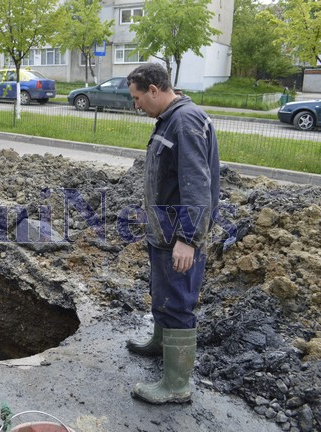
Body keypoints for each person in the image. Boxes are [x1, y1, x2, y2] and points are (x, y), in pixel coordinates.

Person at [125, 63, 220, 404]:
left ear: (154, 89)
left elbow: (197, 185)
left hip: (179, 236)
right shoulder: (172, 118)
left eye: (137, 97)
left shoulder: (184, 122)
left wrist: (188, 239)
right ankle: (159, 342)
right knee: (162, 292)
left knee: (179, 302)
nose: (136, 105)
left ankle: (177, 386)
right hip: (164, 232)